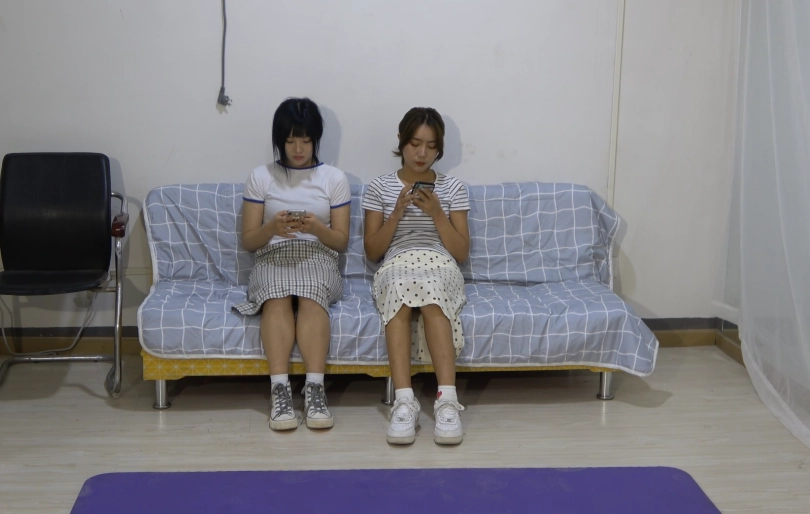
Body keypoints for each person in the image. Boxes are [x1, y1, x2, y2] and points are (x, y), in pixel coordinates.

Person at [233, 97, 350, 431]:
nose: (298, 149)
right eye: (290, 141)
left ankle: (315, 391)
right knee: (275, 295)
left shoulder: (333, 178)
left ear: (316, 140)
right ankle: (280, 392)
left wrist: (317, 229)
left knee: (312, 294)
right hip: (273, 256)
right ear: (279, 141)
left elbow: (340, 242)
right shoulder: (261, 176)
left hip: (319, 256)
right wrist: (272, 228)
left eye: (306, 140)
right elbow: (249, 241)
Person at [362, 107, 471, 445]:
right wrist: (396, 212)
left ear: (440, 149)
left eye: (431, 146)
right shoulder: (379, 187)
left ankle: (447, 400)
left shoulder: (453, 188)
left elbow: (461, 252)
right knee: (398, 287)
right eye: (415, 144)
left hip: (440, 262)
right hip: (396, 261)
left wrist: (437, 213)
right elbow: (373, 251)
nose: (422, 153)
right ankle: (404, 401)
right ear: (401, 141)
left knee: (433, 288)